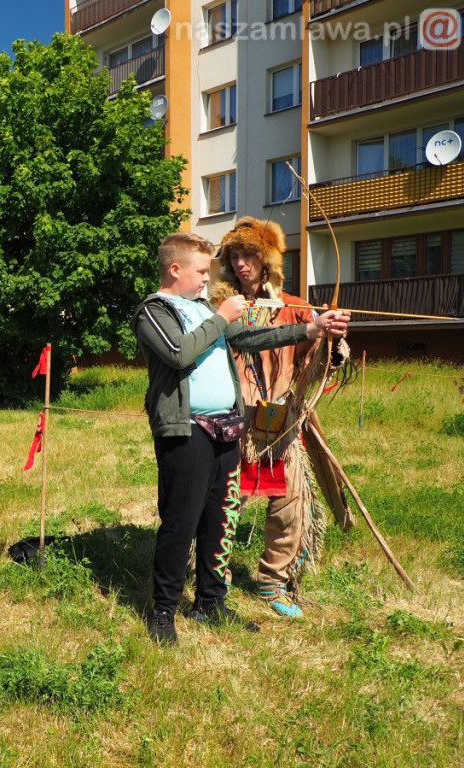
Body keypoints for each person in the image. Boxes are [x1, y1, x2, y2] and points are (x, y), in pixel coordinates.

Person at [131, 232, 349, 645]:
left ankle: (210, 602)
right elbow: (178, 353)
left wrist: (311, 328)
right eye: (201, 271)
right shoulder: (154, 311)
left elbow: (250, 338)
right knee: (181, 522)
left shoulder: (203, 308)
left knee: (220, 519)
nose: (207, 278)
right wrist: (222, 316)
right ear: (175, 269)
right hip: (186, 432)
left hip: (226, 428)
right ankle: (163, 611)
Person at [210, 217, 350, 618]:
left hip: (281, 424)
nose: (241, 264)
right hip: (234, 422)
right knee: (223, 501)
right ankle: (214, 574)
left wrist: (332, 336)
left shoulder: (294, 308)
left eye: (249, 255)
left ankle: (273, 581)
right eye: (234, 256)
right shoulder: (221, 309)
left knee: (290, 505)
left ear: (267, 261)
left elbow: (321, 357)